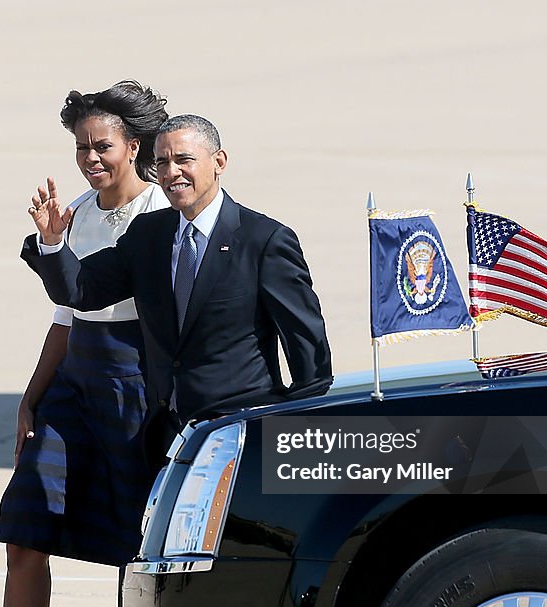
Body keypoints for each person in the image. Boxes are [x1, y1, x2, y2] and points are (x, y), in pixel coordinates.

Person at [22, 113, 333, 467]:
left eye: (183, 159)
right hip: (167, 435)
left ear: (219, 162)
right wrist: (52, 243)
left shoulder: (264, 240)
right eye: (162, 162)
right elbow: (81, 291)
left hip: (239, 431)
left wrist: (301, 435)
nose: (171, 173)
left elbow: (307, 346)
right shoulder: (149, 234)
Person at [0, 81, 169, 607]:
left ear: (134, 145)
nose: (90, 159)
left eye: (102, 147)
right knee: (24, 530)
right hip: (73, 386)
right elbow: (66, 317)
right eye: (80, 148)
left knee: (136, 547)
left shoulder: (160, 216)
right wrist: (32, 397)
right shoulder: (75, 216)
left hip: (133, 387)